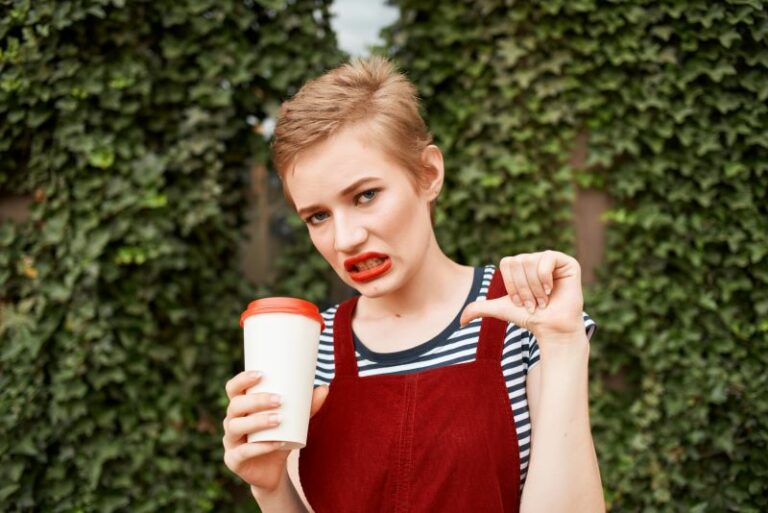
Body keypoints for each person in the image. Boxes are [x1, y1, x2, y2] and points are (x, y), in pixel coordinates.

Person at [222, 56, 606, 512]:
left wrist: (563, 345)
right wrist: (270, 488)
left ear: (428, 174)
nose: (346, 239)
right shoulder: (308, 347)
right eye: (318, 216)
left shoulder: (525, 316)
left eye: (365, 196)